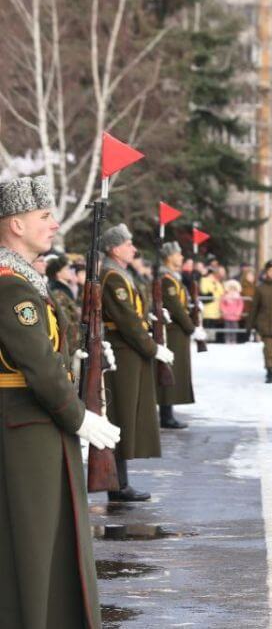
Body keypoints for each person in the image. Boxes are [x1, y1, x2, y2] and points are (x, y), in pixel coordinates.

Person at [0, 176, 119, 628]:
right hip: (26, 428)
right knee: (31, 545)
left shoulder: (23, 279)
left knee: (48, 540)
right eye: (44, 216)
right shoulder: (11, 286)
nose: (53, 225)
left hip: (38, 425)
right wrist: (78, 416)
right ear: (15, 224)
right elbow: (37, 366)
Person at [100, 223, 174, 502]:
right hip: (123, 352)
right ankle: (116, 485)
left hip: (129, 352)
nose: (133, 248)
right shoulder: (113, 277)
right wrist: (153, 347)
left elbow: (134, 314)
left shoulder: (120, 273)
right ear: (114, 248)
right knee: (121, 415)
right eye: (128, 243)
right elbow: (127, 321)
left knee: (125, 416)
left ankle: (120, 483)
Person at [157, 241, 205, 429]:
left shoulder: (173, 278)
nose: (181, 257)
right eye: (178, 254)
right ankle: (166, 414)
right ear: (169, 257)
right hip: (173, 332)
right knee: (170, 371)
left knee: (174, 371)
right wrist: (191, 327)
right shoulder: (167, 279)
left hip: (178, 331)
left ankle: (168, 412)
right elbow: (175, 308)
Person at [248, 260, 272, 382]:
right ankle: (270, 371)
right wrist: (250, 325)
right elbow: (255, 307)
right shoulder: (261, 289)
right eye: (270, 271)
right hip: (265, 324)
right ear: (266, 272)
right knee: (269, 350)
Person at [219, 279, 244, 344]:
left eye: (234, 289)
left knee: (234, 327)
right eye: (231, 288)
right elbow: (222, 304)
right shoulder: (225, 296)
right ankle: (227, 339)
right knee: (227, 327)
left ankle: (233, 339)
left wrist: (238, 312)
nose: (232, 290)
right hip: (227, 315)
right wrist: (224, 311)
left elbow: (240, 305)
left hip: (235, 315)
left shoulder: (238, 296)